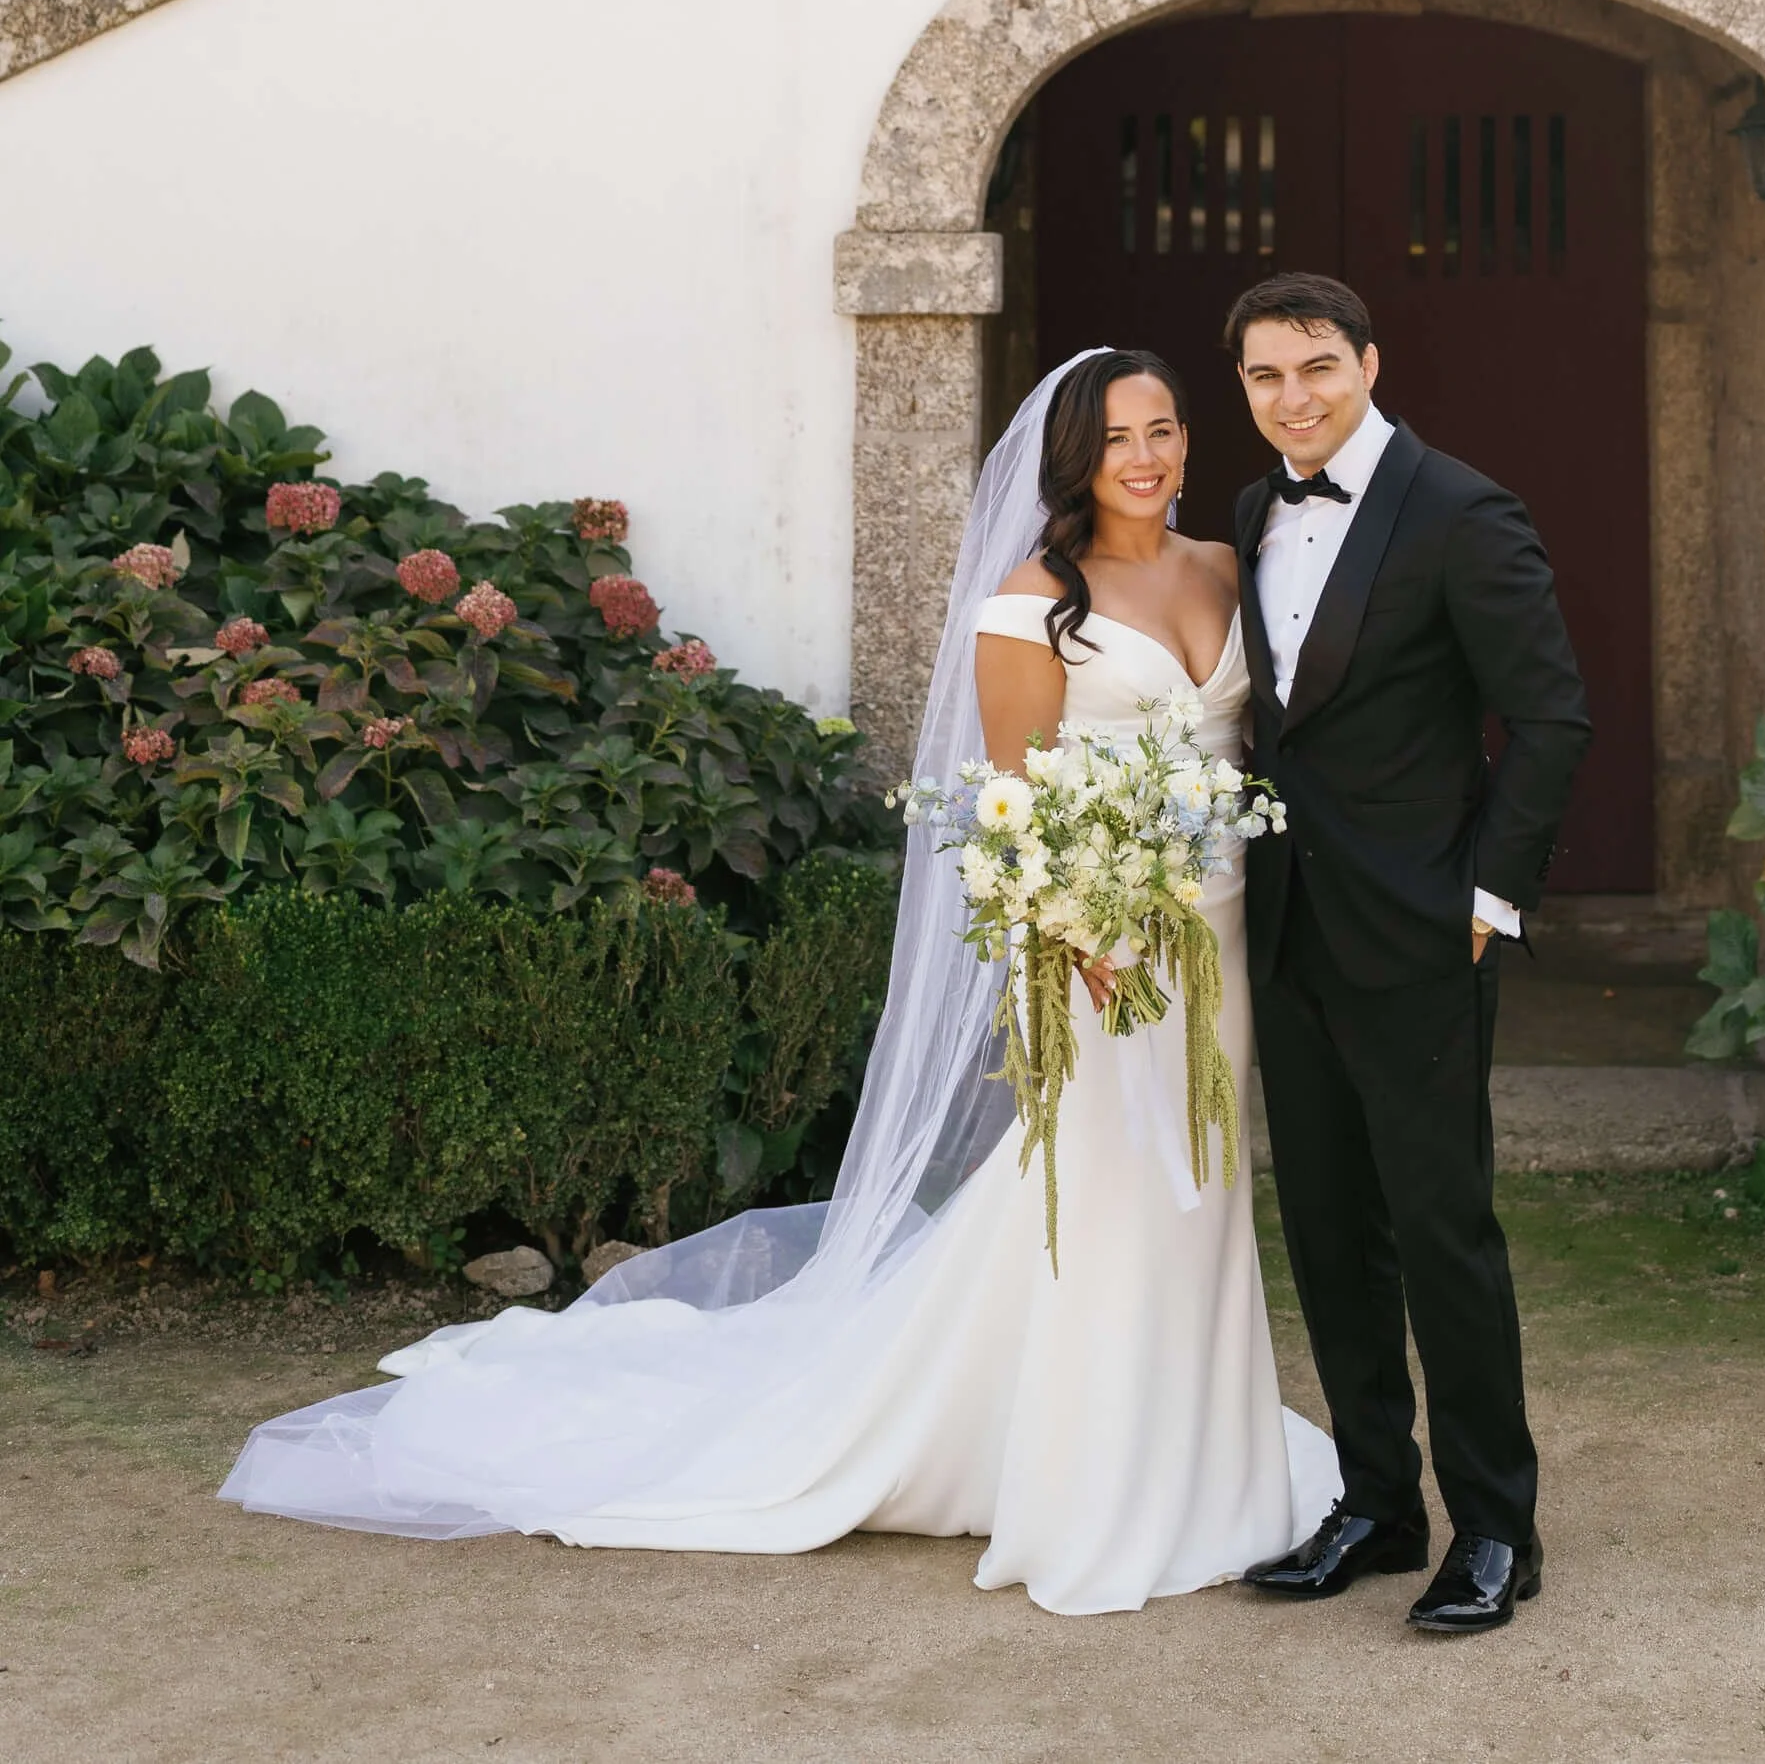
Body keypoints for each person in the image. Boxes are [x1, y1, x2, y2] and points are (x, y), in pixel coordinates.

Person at [219, 347, 1336, 1618]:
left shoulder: (1225, 569)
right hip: (1106, 949)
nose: (1150, 456)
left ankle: (1208, 1443)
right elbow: (1011, 804)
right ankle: (1105, 1477)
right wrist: (1077, 938)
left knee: (1202, 1183)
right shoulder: (1033, 603)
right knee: (1111, 1186)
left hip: (1227, 930)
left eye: (1168, 428)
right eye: (1122, 436)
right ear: (1073, 458)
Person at [1227, 269, 1592, 1639]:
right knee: (1326, 1229)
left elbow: (1552, 717)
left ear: (1368, 362)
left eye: (1315, 365)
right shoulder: (1256, 510)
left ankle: (1498, 1526)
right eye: (1265, 376)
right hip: (1289, 930)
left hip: (1426, 932)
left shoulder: (1460, 508)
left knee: (1444, 1231)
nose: (1293, 396)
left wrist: (1490, 895)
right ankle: (1379, 1501)